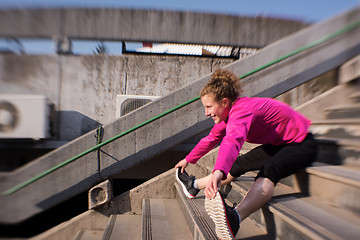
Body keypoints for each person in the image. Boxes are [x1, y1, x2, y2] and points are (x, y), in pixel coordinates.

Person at [175, 68, 318, 239]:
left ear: (225, 102)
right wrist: (187, 159)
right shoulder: (228, 115)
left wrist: (218, 171)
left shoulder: (243, 110)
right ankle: (194, 185)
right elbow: (211, 139)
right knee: (239, 164)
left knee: (269, 169)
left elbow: (233, 141)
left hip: (301, 143)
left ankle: (235, 218)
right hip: (279, 144)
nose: (206, 112)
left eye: (208, 107)